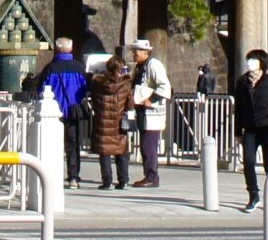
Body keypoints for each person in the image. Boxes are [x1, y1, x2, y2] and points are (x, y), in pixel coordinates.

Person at [229, 48, 268, 210]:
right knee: (248, 162)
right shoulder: (242, 82)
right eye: (249, 59)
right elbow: (239, 108)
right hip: (250, 129)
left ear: (262, 63)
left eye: (253, 60)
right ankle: (253, 195)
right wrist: (237, 132)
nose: (250, 63)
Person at [33, 37, 90, 186]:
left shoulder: (50, 68)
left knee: (52, 144)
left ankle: (51, 175)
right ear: (71, 49)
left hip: (52, 113)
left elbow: (40, 89)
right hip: (73, 111)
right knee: (73, 144)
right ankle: (73, 177)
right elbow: (85, 89)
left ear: (57, 50)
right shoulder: (79, 67)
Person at [127, 38, 172, 188]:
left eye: (137, 51)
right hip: (142, 112)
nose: (134, 54)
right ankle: (148, 175)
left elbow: (164, 86)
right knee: (145, 146)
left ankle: (152, 176)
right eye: (134, 51)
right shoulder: (140, 66)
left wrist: (151, 100)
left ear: (146, 51)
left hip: (152, 113)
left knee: (149, 146)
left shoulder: (154, 65)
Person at [88, 54, 135, 190]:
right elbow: (130, 104)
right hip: (119, 122)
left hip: (103, 121)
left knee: (105, 152)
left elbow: (95, 102)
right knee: (121, 151)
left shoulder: (98, 83)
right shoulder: (126, 84)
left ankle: (107, 181)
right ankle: (123, 180)